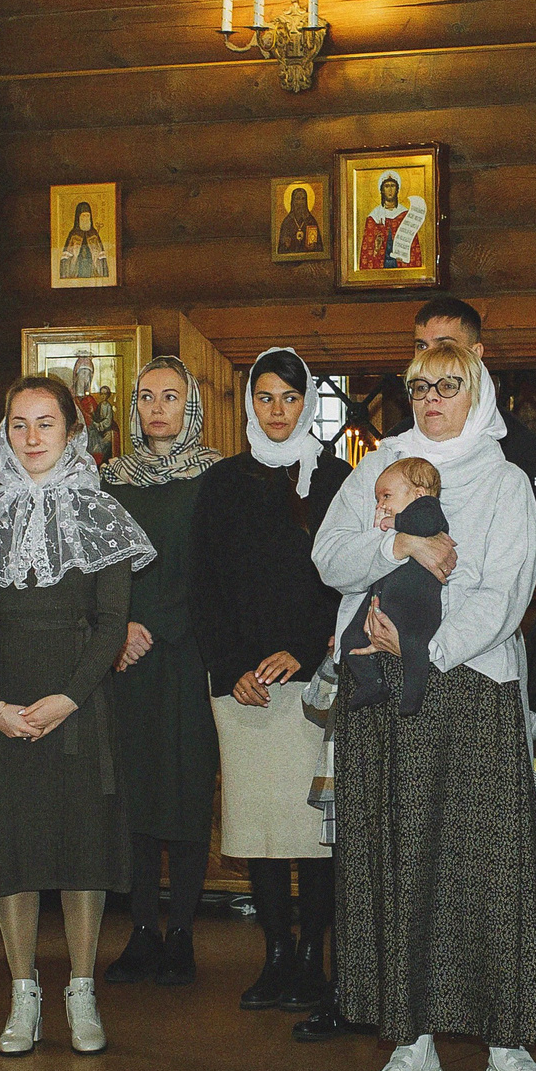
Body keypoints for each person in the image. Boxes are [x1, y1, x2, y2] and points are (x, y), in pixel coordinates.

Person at [313, 340, 536, 1071]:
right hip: (381, 696)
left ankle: (508, 1041)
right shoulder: (377, 468)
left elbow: (505, 593)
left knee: (488, 863)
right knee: (398, 860)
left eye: (449, 385)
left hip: (470, 684)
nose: (432, 398)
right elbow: (331, 556)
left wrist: (426, 646)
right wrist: (396, 541)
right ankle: (411, 1041)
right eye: (420, 385)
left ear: (478, 388)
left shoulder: (502, 481)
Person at [0, 376, 154, 1057]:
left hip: (79, 696)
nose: (32, 438)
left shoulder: (102, 515)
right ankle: (22, 991)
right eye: (18, 424)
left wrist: (71, 696)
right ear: (4, 433)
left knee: (81, 849)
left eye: (46, 424)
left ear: (73, 433)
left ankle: (83, 989)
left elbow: (111, 622)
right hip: (2, 699)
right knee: (13, 851)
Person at [191, 348, 351, 1016]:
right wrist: (231, 670)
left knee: (309, 831)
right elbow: (204, 583)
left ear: (308, 401)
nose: (277, 410)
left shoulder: (337, 478)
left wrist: (305, 652)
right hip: (243, 685)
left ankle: (313, 958)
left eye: (289, 397)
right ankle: (275, 954)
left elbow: (346, 581)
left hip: (311, 681)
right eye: (265, 397)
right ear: (248, 403)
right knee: (258, 827)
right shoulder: (222, 481)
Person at [100, 355, 222, 989]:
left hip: (190, 653)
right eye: (146, 397)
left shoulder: (216, 477)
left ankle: (183, 932)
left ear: (191, 405)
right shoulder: (110, 480)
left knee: (188, 788)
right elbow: (100, 565)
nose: (156, 408)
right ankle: (141, 928)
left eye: (170, 397)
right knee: (136, 791)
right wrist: (120, 626)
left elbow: (217, 571)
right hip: (126, 655)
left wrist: (167, 624)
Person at [414, 297, 536, 525]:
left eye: (444, 346)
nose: (429, 356)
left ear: (476, 353)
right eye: (421, 346)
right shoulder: (396, 443)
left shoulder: (513, 442)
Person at [338, 457, 447, 714]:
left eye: (386, 496)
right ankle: (371, 683)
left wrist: (394, 523)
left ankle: (414, 694)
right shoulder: (396, 523)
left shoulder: (428, 509)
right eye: (378, 499)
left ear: (419, 494)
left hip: (416, 604)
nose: (381, 505)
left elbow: (426, 525)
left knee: (413, 646)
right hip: (381, 599)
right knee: (349, 639)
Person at [276, 186, 322, 256]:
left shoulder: (311, 221)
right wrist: (286, 245)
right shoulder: (287, 222)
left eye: (303, 199)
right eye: (297, 199)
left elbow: (320, 248)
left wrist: (314, 247)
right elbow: (280, 251)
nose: (300, 202)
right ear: (293, 201)